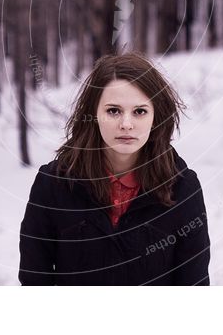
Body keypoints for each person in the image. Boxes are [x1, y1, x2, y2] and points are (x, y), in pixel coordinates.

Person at [18, 51, 211, 285]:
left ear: (156, 117)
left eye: (139, 111)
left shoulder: (183, 188)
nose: (126, 124)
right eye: (113, 110)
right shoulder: (52, 185)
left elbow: (194, 285)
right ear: (93, 114)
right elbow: (34, 281)